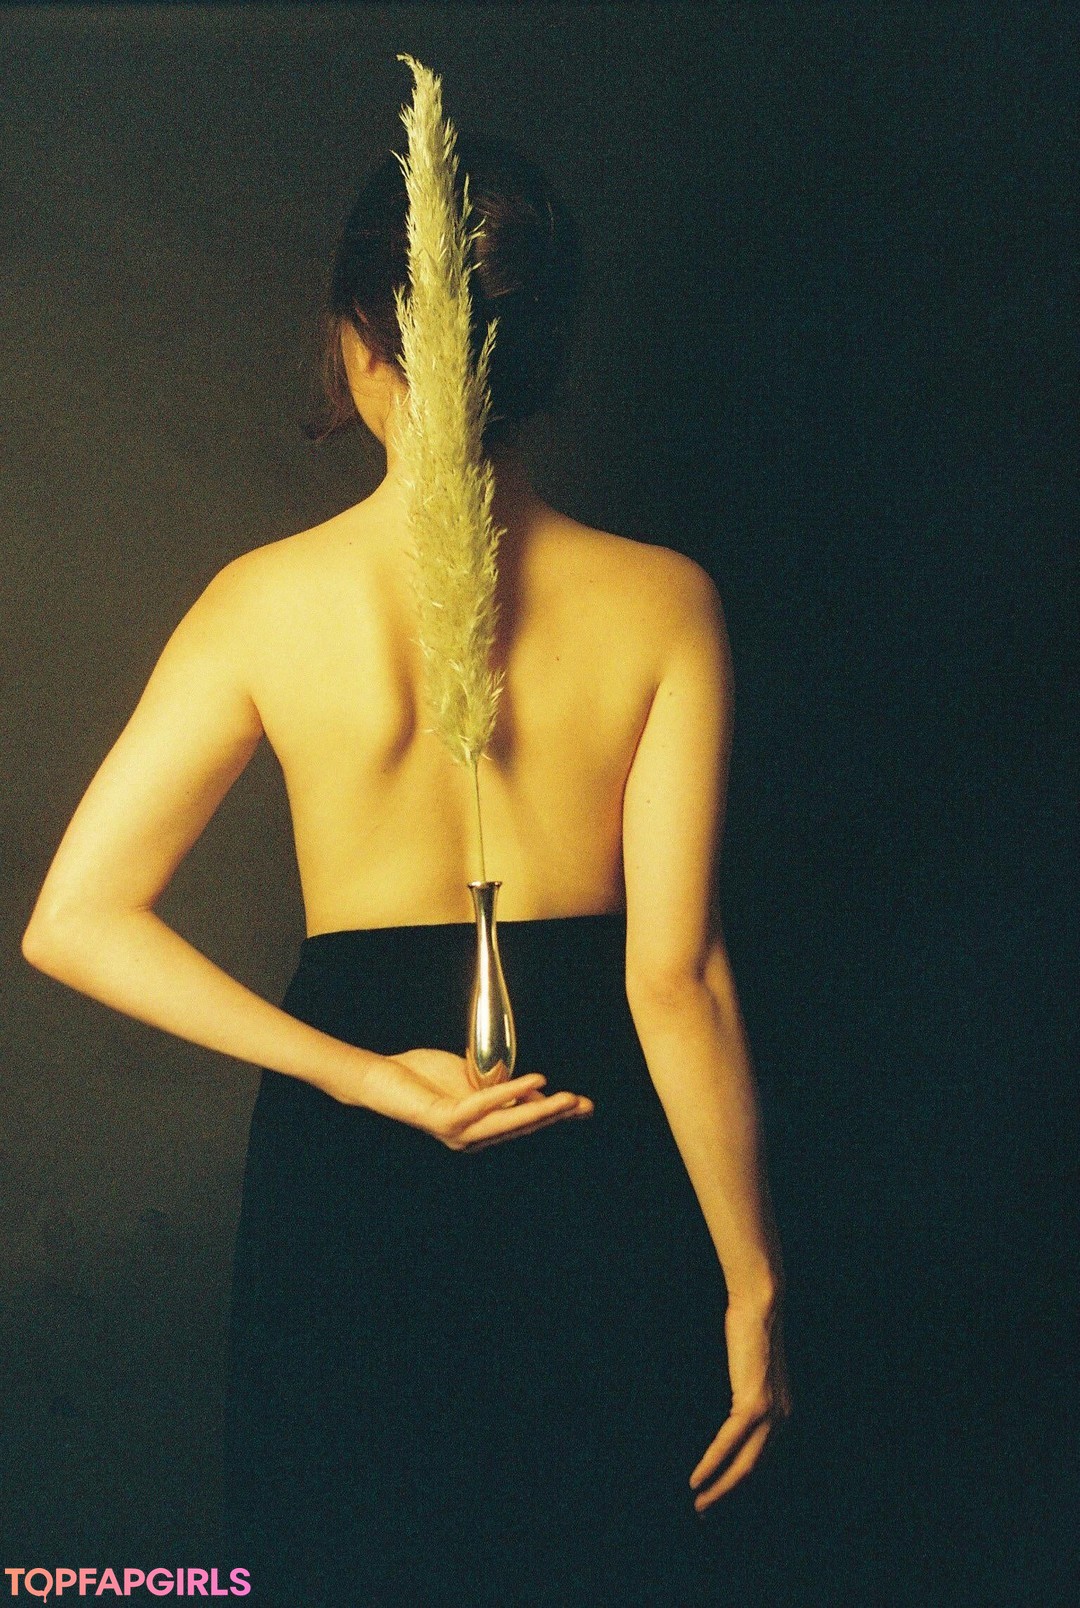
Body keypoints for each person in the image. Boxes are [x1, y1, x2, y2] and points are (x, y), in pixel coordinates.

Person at [22, 137, 791, 1605]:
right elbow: (675, 978)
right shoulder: (664, 602)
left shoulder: (262, 602)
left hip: (356, 1156)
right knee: (601, 1550)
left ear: (356, 342)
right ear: (539, 355)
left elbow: (77, 918)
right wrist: (753, 1284)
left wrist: (364, 1076)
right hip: (594, 1124)